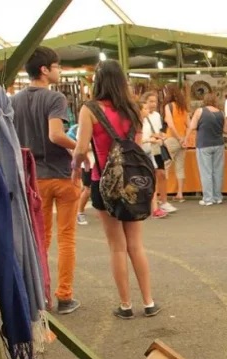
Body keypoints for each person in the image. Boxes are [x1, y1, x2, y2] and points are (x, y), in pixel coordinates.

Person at [72, 60, 160, 319]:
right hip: (134, 181)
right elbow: (138, 145)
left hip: (104, 182)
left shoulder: (89, 110)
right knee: (136, 244)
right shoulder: (134, 110)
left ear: (98, 81)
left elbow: (80, 147)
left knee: (117, 247)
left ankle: (125, 305)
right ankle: (149, 301)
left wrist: (77, 169)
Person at [11, 46, 82, 314]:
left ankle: (39, 293)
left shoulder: (14, 101)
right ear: (45, 69)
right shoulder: (55, 99)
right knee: (67, 238)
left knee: (40, 238)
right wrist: (78, 147)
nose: (59, 70)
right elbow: (55, 135)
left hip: (32, 178)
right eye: (57, 66)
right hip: (61, 175)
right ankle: (64, 295)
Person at [185, 92, 227, 206]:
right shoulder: (221, 113)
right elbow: (226, 129)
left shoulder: (200, 111)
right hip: (219, 144)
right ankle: (218, 197)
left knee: (206, 172)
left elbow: (192, 126)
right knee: (218, 171)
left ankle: (208, 198)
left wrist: (186, 139)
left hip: (204, 144)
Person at [139, 91, 171, 219]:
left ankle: (157, 206)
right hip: (142, 152)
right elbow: (138, 138)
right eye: (147, 105)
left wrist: (159, 137)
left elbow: (154, 132)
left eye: (154, 102)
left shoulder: (156, 116)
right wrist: (149, 139)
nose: (151, 107)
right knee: (146, 179)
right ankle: (151, 206)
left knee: (155, 176)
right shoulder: (137, 122)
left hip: (152, 150)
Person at [163, 84, 189, 204]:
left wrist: (178, 138)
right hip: (183, 139)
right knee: (180, 167)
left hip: (172, 139)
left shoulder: (168, 106)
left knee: (165, 166)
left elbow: (170, 124)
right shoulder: (183, 107)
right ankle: (180, 193)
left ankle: (164, 194)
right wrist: (185, 139)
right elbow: (189, 125)